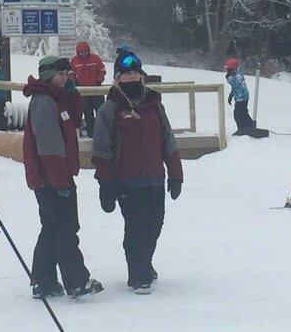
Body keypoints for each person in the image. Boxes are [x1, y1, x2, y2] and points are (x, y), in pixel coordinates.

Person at [92, 52, 184, 292]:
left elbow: (168, 139)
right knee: (135, 227)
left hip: (153, 177)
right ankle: (138, 273)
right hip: (126, 180)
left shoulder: (154, 105)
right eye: (126, 74)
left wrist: (175, 173)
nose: (131, 77)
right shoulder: (108, 110)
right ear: (117, 79)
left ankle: (145, 262)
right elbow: (102, 149)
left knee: (155, 223)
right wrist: (106, 184)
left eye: (135, 73)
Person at [22, 55, 99, 299]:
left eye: (67, 73)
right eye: (60, 74)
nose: (65, 77)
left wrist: (72, 94)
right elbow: (49, 146)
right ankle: (76, 281)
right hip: (51, 178)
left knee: (53, 228)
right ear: (47, 75)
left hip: (55, 176)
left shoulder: (57, 99)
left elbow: (74, 120)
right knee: (65, 228)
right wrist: (60, 181)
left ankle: (43, 281)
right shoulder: (45, 102)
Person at [70, 41, 106, 136]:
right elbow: (71, 74)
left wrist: (99, 80)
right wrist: (76, 83)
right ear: (78, 51)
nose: (83, 54)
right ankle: (91, 135)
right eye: (81, 52)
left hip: (97, 91)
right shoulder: (74, 61)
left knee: (101, 114)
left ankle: (102, 134)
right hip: (84, 93)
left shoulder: (95, 59)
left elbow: (102, 70)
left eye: (85, 51)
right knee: (88, 116)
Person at [224, 58, 268, 138]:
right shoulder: (237, 74)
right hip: (242, 97)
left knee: (237, 114)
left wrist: (229, 78)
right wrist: (231, 95)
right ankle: (250, 126)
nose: (227, 71)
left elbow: (235, 85)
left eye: (228, 69)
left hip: (241, 98)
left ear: (232, 69)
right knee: (243, 113)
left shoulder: (235, 76)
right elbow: (235, 87)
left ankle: (242, 129)